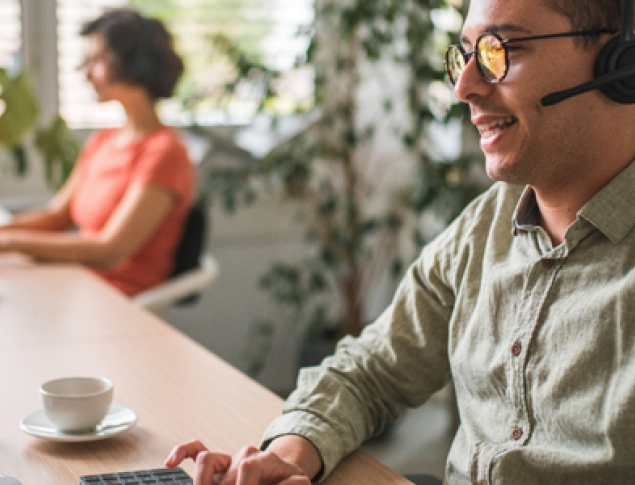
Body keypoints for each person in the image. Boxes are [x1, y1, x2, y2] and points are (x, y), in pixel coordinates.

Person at [166, 0, 635, 483]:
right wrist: (290, 454)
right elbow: (373, 370)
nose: (464, 86)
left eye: (499, 50)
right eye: (465, 55)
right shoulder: (486, 224)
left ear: (621, 61)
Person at [0, 8, 193, 297]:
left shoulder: (165, 153)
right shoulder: (103, 141)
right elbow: (56, 216)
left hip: (118, 300)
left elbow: (109, 251)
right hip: (79, 283)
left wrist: (10, 242)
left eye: (96, 61)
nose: (85, 72)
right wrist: (6, 232)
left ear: (134, 64)